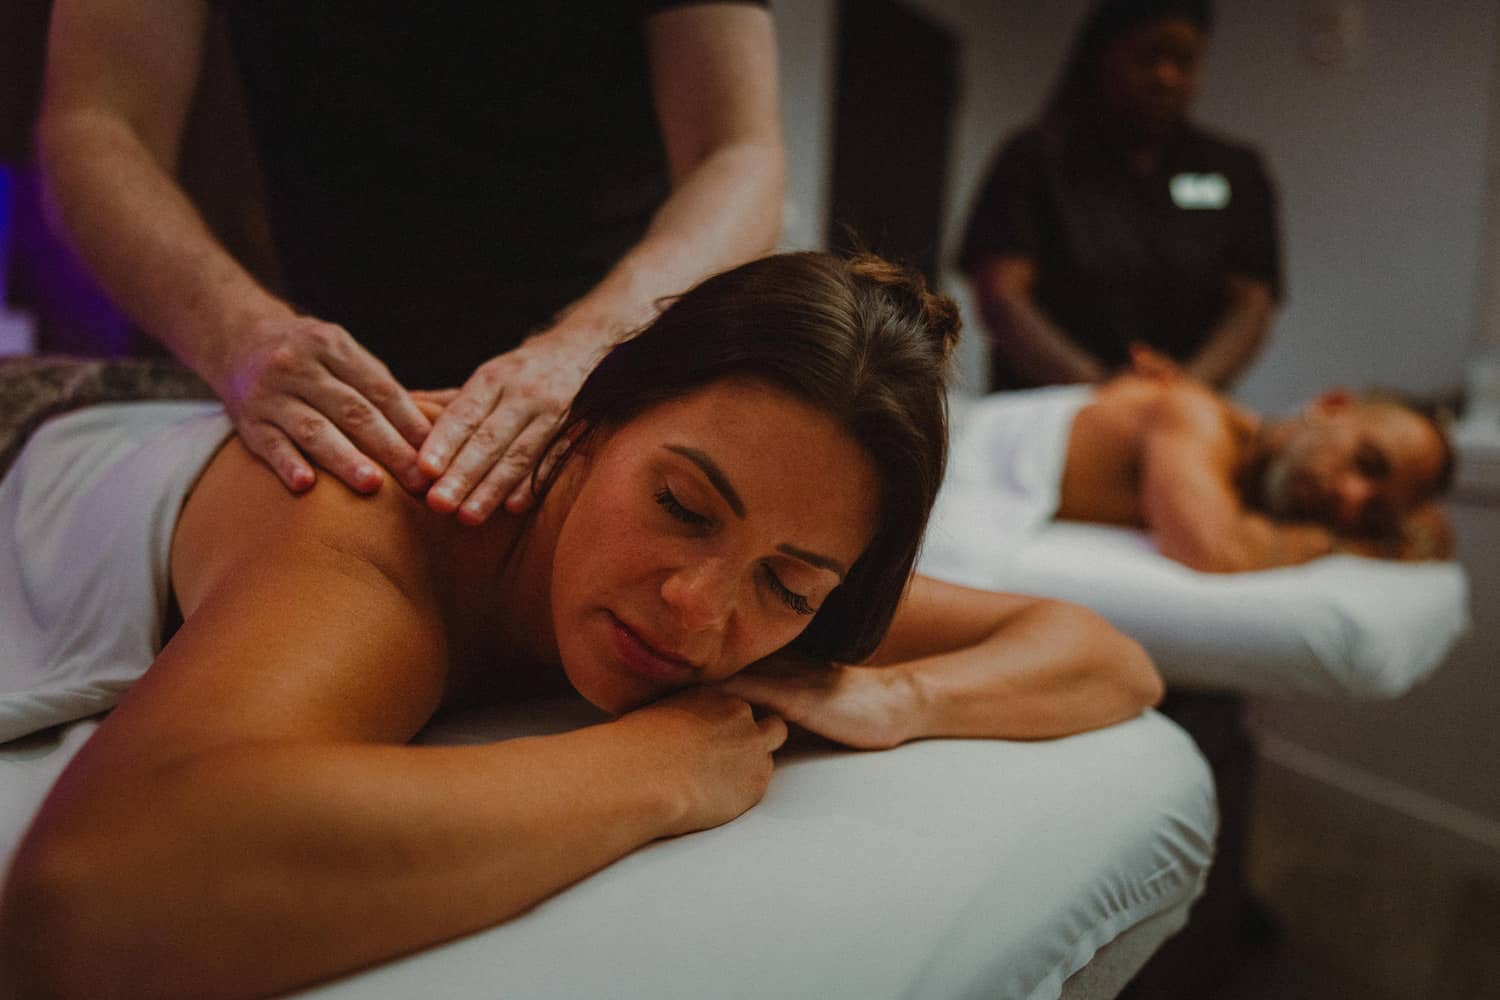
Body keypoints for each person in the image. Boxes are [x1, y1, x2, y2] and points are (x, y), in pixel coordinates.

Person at [0, 253, 1162, 998]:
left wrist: (887, 696)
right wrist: (654, 772)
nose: (699, 615)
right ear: (586, 421)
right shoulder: (379, 537)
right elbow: (88, 900)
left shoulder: (769, 563)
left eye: (792, 587)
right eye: (679, 506)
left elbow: (1107, 658)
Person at [36, 0, 785, 524]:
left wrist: (590, 347)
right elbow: (98, 122)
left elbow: (740, 153)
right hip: (340, 393)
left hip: (615, 373)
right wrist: (237, 332)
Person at [959, 0, 1281, 391]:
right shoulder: (1036, 159)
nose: (1165, 75)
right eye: (1148, 56)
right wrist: (1100, 386)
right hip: (1051, 407)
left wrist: (1182, 389)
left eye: (1183, 60)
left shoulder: (1236, 171)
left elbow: (1251, 303)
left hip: (1183, 406)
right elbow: (1002, 296)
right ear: (1103, 56)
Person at [925, 345, 1454, 578]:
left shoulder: (1234, 463)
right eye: (1366, 461)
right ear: (1331, 406)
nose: (1351, 496)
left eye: (1374, 511)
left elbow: (1435, 534)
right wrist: (1360, 541)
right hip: (937, 431)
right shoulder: (1195, 415)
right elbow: (1210, 548)